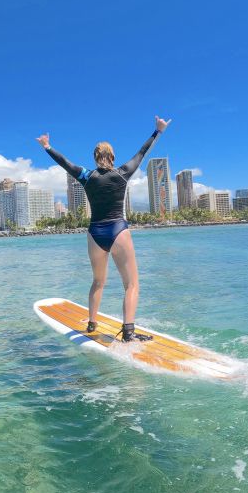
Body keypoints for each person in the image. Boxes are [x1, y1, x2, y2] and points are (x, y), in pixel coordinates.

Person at [36, 116, 171, 342]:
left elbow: (65, 163)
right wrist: (158, 131)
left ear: (95, 158)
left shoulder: (87, 177)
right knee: (131, 284)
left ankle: (91, 324)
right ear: (113, 157)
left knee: (98, 281)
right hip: (118, 231)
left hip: (95, 234)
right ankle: (128, 332)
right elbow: (141, 153)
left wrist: (47, 146)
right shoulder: (122, 173)